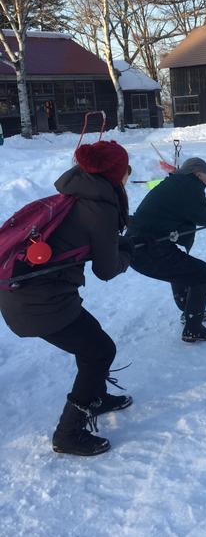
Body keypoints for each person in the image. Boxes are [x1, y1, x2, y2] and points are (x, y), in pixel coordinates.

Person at [0, 140, 134, 457]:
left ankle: (96, 396)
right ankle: (68, 434)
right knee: (100, 350)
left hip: (29, 293)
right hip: (36, 301)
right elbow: (107, 269)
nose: (129, 174)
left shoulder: (77, 192)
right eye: (125, 168)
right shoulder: (99, 207)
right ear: (114, 173)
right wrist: (126, 252)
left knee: (92, 341)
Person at [127, 157, 206, 344]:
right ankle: (193, 329)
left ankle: (192, 312)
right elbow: (202, 212)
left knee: (183, 270)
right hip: (145, 248)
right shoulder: (188, 186)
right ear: (196, 173)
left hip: (141, 246)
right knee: (201, 272)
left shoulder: (176, 183)